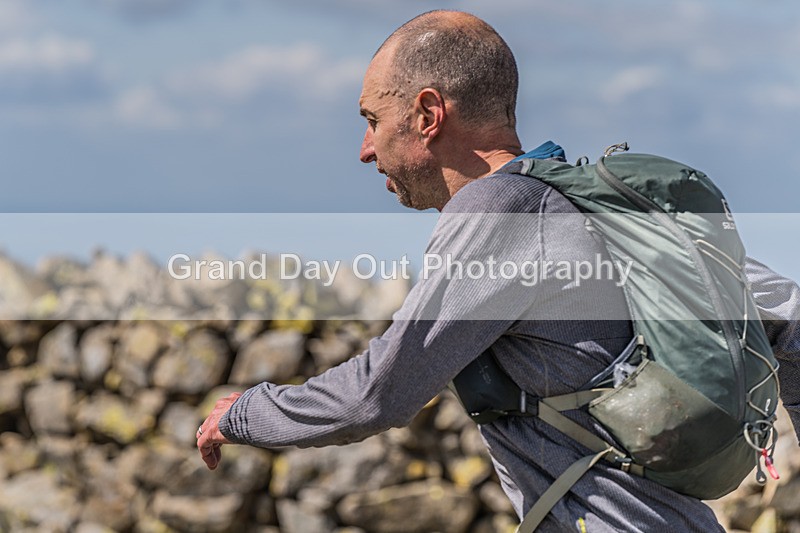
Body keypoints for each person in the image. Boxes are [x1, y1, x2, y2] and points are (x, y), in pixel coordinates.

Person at [198, 10, 800, 531]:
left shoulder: (497, 210)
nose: (364, 148)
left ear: (428, 114)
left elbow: (377, 394)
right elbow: (787, 316)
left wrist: (245, 414)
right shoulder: (588, 207)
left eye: (372, 119)